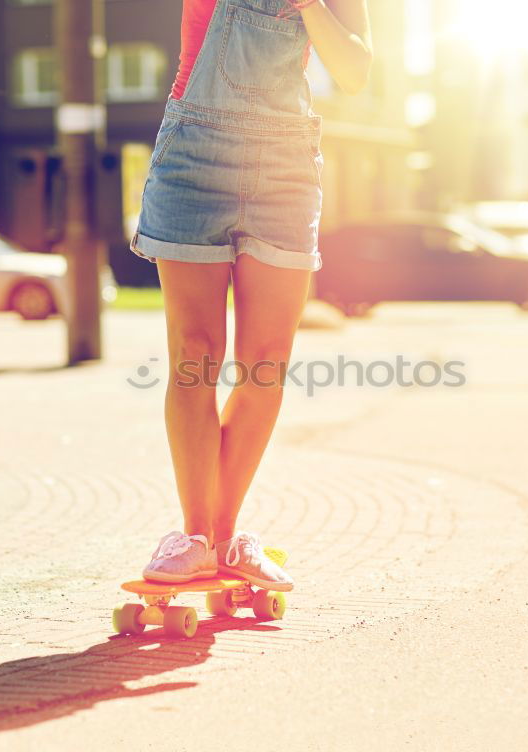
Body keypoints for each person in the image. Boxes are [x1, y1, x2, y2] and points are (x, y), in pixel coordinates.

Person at [130, 0, 372, 589]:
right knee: (195, 352)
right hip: (193, 157)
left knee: (264, 366)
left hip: (284, 169)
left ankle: (221, 534)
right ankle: (195, 538)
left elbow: (356, 72)